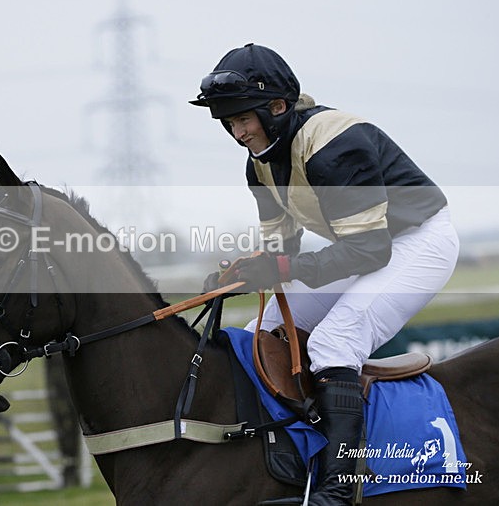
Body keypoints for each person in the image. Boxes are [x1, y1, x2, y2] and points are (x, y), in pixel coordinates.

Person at [191, 43, 459, 505]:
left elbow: (369, 252)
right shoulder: (260, 163)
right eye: (228, 123)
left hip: (419, 244)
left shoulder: (333, 145)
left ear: (276, 107)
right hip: (365, 247)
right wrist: (239, 275)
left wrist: (276, 267)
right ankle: (286, 458)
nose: (237, 133)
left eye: (242, 120)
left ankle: (339, 489)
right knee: (263, 332)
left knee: (334, 343)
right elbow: (281, 251)